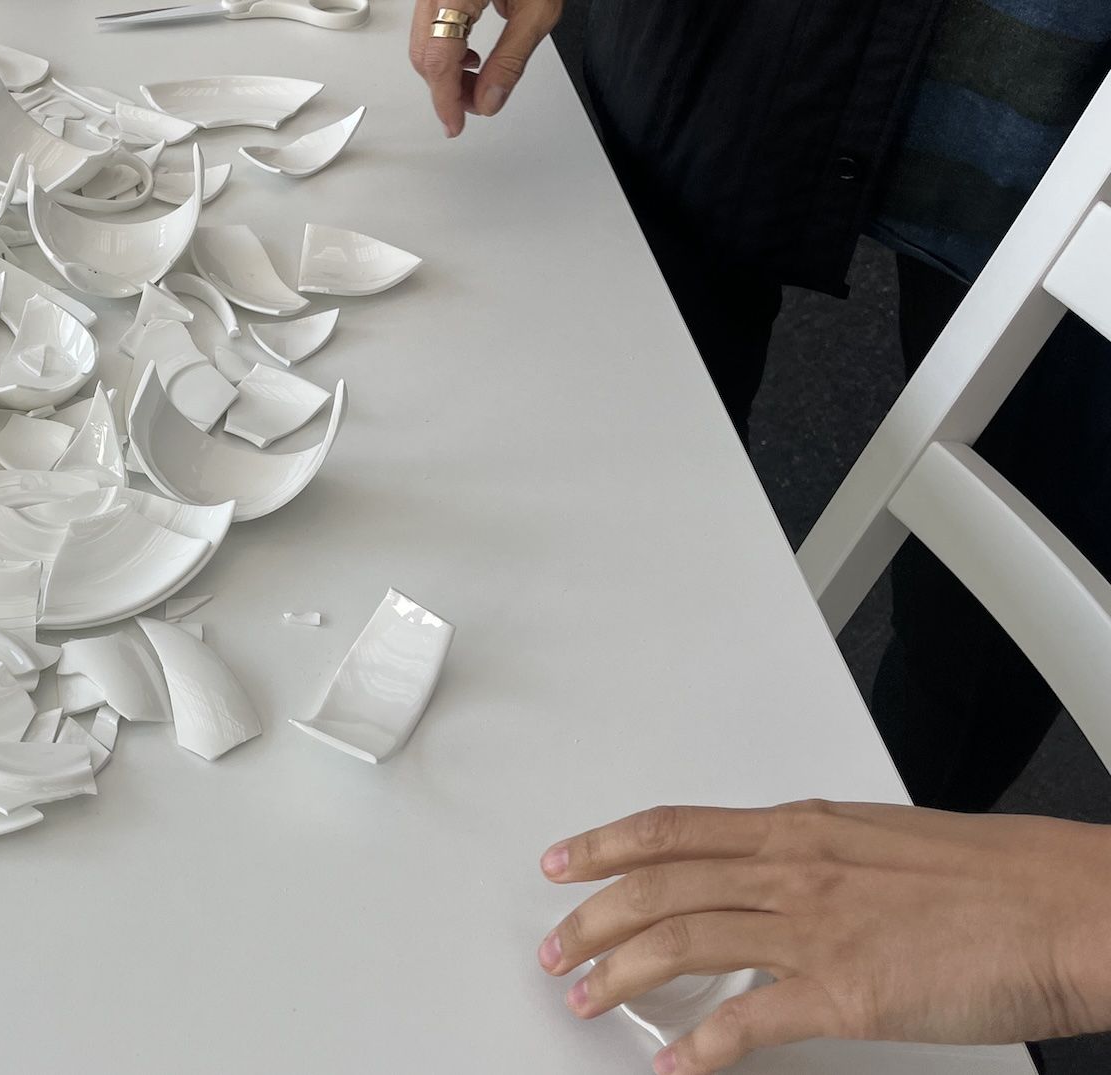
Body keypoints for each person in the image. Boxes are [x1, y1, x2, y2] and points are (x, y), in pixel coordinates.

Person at [406, 0, 1111, 1070]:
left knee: (976, 645)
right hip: (725, 61)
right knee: (571, 513)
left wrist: (1074, 928)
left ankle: (906, 810)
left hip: (1062, 159)